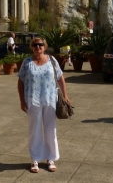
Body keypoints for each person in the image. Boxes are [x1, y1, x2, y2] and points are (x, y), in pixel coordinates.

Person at [17, 37, 71, 173]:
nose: (38, 47)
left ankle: (50, 157)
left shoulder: (52, 60)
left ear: (44, 46)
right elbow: (21, 81)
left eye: (40, 44)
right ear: (32, 47)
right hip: (32, 100)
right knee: (34, 130)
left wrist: (65, 95)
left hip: (50, 100)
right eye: (35, 45)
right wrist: (22, 100)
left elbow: (60, 77)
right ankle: (35, 158)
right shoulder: (27, 62)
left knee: (50, 129)